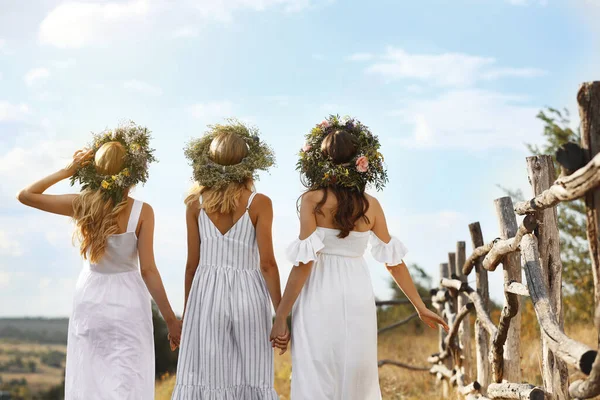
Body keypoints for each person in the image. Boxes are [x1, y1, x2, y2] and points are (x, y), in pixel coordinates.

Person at [270, 116, 449, 400]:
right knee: (358, 376)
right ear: (360, 160)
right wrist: (419, 305)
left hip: (318, 293)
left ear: (320, 159)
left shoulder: (312, 200)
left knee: (315, 374)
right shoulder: (371, 205)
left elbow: (304, 263)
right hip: (357, 294)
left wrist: (281, 315)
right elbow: (394, 262)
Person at [17, 122, 182, 400]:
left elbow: (26, 195)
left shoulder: (82, 203)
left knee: (90, 379)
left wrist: (68, 170)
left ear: (95, 171)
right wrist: (171, 320)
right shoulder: (143, 212)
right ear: (133, 171)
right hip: (128, 301)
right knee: (128, 379)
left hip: (90, 297)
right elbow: (149, 270)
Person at [171, 120, 284, 399]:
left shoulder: (195, 204)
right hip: (249, 291)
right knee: (253, 374)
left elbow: (191, 266)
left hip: (205, 292)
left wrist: (188, 314)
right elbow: (267, 263)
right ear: (247, 162)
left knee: (210, 374)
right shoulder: (259, 203)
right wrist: (280, 314)